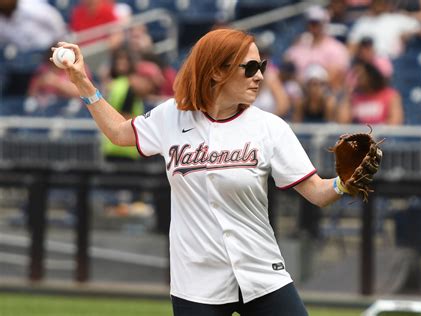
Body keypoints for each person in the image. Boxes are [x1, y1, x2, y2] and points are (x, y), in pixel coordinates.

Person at [54, 28, 359, 316]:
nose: (260, 76)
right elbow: (120, 134)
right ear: (216, 71)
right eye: (250, 67)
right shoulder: (171, 116)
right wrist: (82, 81)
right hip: (196, 280)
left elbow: (318, 193)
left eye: (261, 65)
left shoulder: (270, 127)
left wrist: (344, 183)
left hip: (261, 270)